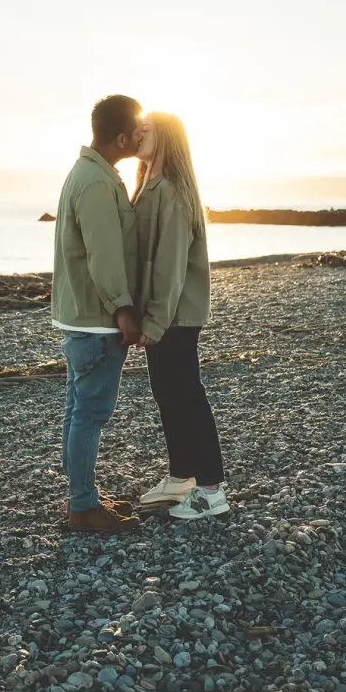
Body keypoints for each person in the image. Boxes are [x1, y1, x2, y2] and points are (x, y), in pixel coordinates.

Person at [52, 95, 143, 534]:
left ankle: (82, 496)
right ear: (122, 138)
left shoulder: (87, 173)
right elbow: (103, 255)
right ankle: (83, 508)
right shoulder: (95, 183)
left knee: (78, 410)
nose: (142, 136)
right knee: (89, 414)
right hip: (95, 321)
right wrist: (123, 309)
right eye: (137, 130)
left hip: (80, 316)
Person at [133, 113, 228, 520]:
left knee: (187, 396)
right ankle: (181, 476)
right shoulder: (149, 184)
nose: (138, 133)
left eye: (147, 129)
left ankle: (211, 491)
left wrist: (154, 321)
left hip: (176, 313)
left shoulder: (171, 191)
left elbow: (169, 266)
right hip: (164, 312)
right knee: (168, 395)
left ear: (166, 139)